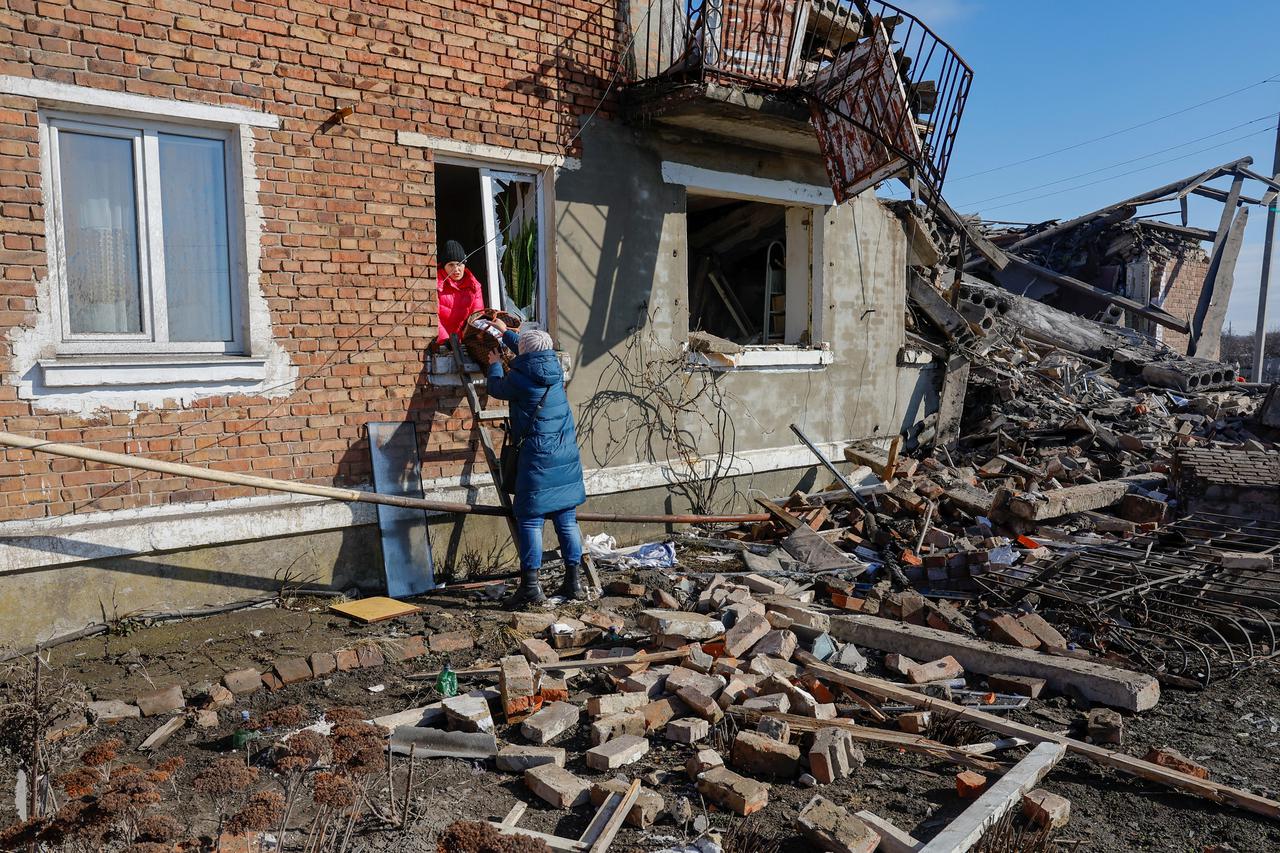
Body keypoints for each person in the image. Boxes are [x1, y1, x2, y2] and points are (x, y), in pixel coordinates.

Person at [485, 327, 587, 608]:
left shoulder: (519, 379)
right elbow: (530, 349)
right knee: (567, 521)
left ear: (525, 352)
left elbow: (496, 388)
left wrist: (495, 364)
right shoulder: (554, 370)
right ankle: (574, 583)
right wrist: (505, 333)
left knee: (530, 519)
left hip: (537, 461)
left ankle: (531, 587)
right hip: (566, 458)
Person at [435, 240, 486, 345]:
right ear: (443, 266)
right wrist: (446, 340)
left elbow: (477, 316)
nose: (456, 269)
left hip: (464, 343)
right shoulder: (436, 284)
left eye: (459, 264)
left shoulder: (474, 286)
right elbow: (433, 317)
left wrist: (471, 340)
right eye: (451, 265)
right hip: (440, 343)